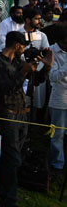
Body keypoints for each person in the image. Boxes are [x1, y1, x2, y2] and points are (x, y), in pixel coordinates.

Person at [0, 31, 52, 207]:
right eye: (22, 45)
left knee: (15, 156)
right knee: (13, 156)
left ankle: (3, 190)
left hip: (23, 114)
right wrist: (23, 72)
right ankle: (9, 199)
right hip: (7, 114)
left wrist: (46, 67)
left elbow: (36, 80)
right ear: (16, 45)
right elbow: (6, 88)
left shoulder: (18, 62)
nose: (24, 49)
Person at [48, 26, 67, 173]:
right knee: (58, 134)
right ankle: (57, 163)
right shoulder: (51, 51)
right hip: (59, 98)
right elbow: (53, 77)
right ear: (59, 41)